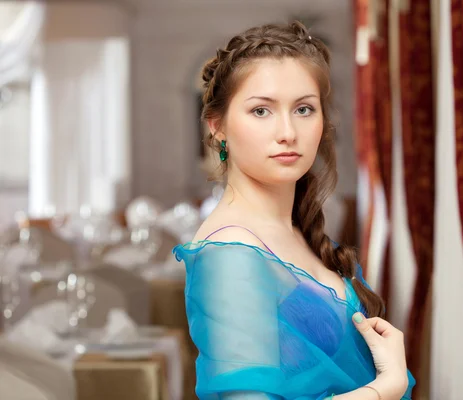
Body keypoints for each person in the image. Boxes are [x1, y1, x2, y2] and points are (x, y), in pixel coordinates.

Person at [173, 21, 415, 400]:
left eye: (303, 109)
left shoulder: (291, 228)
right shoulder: (231, 253)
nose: (288, 131)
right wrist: (385, 387)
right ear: (217, 127)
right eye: (261, 111)